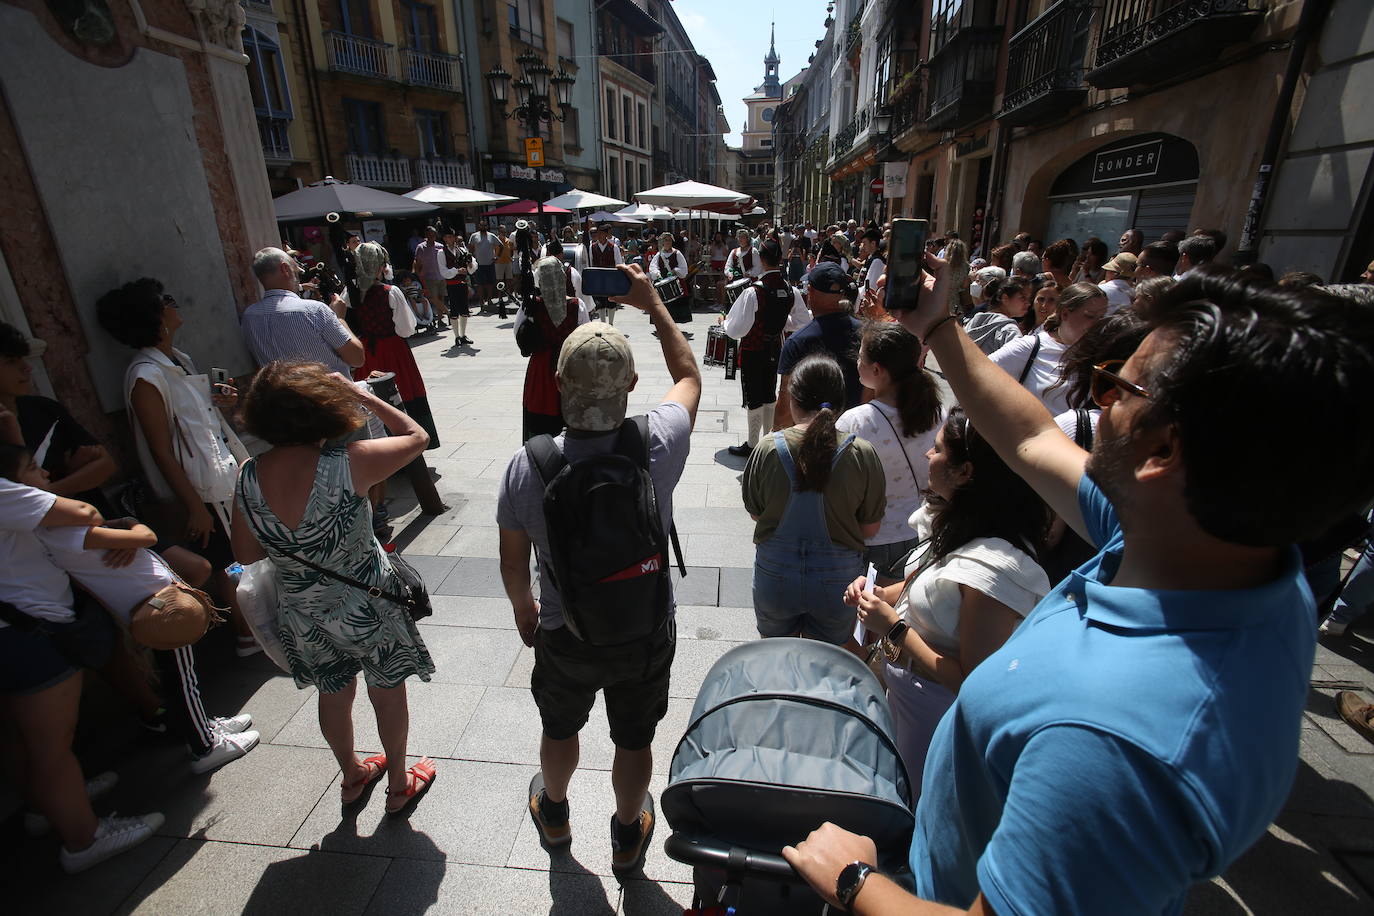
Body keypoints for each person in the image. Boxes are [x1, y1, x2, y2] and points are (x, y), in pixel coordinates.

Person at [783, 263, 1374, 916]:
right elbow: (1031, 436)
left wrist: (856, 882)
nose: (1091, 406)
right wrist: (939, 327)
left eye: (1112, 387)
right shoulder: (1218, 543)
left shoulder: (1114, 745)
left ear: (1163, 452)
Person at [497, 263, 700, 876]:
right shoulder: (658, 440)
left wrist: (525, 612)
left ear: (557, 383)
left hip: (565, 631)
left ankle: (554, 813)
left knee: (560, 727)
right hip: (644, 628)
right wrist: (655, 305)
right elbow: (689, 375)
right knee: (634, 738)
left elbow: (512, 563)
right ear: (632, 383)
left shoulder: (527, 465)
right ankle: (627, 830)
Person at [232, 361, 437, 814]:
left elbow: (246, 554)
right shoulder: (347, 464)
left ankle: (352, 775)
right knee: (387, 692)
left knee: (333, 693)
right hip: (370, 605)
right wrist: (361, 394)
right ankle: (399, 785)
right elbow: (417, 437)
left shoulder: (248, 476)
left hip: (304, 612)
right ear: (323, 410)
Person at [1, 440, 261, 774]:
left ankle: (204, 726)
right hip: (155, 606)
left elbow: (124, 534)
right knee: (182, 678)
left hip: (151, 600)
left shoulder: (55, 527)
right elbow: (145, 536)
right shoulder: (57, 528)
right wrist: (130, 529)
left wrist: (125, 530)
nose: (46, 473)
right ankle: (204, 745)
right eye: (34, 470)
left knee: (180, 675)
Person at [846, 407, 1051, 788]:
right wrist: (878, 593)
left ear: (965, 472)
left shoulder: (990, 570)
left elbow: (971, 681)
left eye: (938, 449)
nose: (928, 454)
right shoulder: (957, 522)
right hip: (908, 707)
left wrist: (892, 628)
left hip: (937, 721)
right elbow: (925, 587)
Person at [0, 474, 166, 873]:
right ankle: (83, 839)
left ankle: (45, 805)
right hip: (25, 632)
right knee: (52, 744)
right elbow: (84, 511)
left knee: (22, 735)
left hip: (15, 630)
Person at [97, 278, 258, 657]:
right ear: (154, 317)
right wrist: (192, 506)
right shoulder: (145, 376)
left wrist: (218, 402)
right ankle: (246, 634)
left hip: (220, 474)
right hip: (200, 489)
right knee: (226, 564)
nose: (175, 305)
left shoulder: (178, 360)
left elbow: (196, 420)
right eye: (166, 301)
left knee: (240, 557)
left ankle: (255, 626)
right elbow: (160, 450)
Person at [743, 353, 884, 648]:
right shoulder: (863, 452)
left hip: (776, 574)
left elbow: (757, 514)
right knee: (826, 665)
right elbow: (870, 529)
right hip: (838, 581)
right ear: (841, 401)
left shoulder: (768, 448)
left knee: (775, 658)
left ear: (793, 400)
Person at [837, 322, 943, 583]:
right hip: (923, 532)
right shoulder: (937, 413)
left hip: (873, 536)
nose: (857, 361)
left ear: (876, 369)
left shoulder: (855, 422)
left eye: (861, 357)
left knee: (864, 611)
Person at [0, 322, 116, 515]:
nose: (26, 368)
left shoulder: (44, 409)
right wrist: (73, 474)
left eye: (23, 358)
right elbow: (16, 504)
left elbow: (105, 464)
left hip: (101, 522)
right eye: (11, 361)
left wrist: (50, 491)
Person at [722, 240, 813, 457]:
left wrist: (724, 324)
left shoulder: (753, 292)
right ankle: (769, 439)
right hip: (776, 349)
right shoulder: (791, 290)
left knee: (754, 395)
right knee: (770, 392)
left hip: (753, 350)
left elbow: (736, 330)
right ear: (780, 259)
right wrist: (783, 322)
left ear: (761, 260)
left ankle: (754, 444)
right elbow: (802, 321)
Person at [349, 242, 441, 447]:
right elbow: (407, 329)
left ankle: (379, 443)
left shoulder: (349, 293)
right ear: (381, 266)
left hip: (365, 353)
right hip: (393, 351)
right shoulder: (390, 292)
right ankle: (408, 443)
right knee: (403, 393)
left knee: (371, 400)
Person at [244, 248, 366, 377]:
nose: (299, 275)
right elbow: (357, 359)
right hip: (329, 394)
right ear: (285, 269)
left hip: (280, 395)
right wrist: (339, 319)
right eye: (296, 269)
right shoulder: (314, 311)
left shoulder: (249, 317)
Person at [990, 282, 1108, 415]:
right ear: (1065, 314)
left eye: (1101, 317)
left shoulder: (1100, 357)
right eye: (1090, 316)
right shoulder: (1029, 347)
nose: (1097, 324)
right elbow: (980, 375)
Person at [776, 262, 864, 429]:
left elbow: (785, 404)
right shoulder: (865, 334)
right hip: (854, 437)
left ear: (810, 291)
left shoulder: (797, 342)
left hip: (809, 441)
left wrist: (777, 444)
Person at [516, 256, 592, 441]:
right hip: (570, 364)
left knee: (542, 404)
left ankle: (541, 449)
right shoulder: (576, 305)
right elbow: (586, 335)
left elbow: (518, 334)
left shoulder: (531, 305)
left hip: (541, 367)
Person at [963, 275, 1030, 355]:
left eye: (1029, 299)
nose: (1028, 303)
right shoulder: (1010, 332)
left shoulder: (975, 320)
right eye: (1023, 298)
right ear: (1005, 298)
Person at [647, 232, 692, 327]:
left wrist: (675, 271)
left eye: (669, 240)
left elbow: (684, 268)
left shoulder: (677, 253)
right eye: (666, 240)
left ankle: (673, 325)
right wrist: (657, 274)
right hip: (662, 281)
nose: (667, 242)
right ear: (662, 242)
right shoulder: (659, 254)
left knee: (675, 305)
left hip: (674, 281)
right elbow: (653, 267)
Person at [411, 227, 450, 331]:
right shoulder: (420, 247)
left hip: (441, 276)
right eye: (429, 235)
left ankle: (441, 320)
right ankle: (448, 312)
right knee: (433, 297)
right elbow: (417, 262)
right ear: (426, 235)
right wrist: (418, 274)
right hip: (428, 277)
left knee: (441, 298)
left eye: (433, 234)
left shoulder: (440, 246)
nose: (432, 236)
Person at [586, 224, 624, 325]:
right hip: (598, 278)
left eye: (600, 233)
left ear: (606, 235)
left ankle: (610, 324)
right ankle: (603, 323)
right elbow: (591, 263)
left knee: (611, 301)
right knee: (600, 302)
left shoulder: (614, 247)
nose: (597, 235)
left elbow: (618, 263)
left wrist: (617, 279)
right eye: (596, 233)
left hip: (610, 278)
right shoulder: (592, 247)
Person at [441, 230, 474, 345]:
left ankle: (463, 335)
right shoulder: (441, 252)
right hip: (451, 285)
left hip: (463, 284)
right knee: (454, 311)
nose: (450, 239)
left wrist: (470, 266)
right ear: (444, 238)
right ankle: (456, 337)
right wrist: (457, 271)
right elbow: (443, 271)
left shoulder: (462, 250)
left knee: (464, 310)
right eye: (447, 237)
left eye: (451, 237)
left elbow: (472, 265)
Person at [468, 220, 499, 314]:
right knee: (480, 284)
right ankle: (481, 302)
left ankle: (489, 300)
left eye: (485, 225)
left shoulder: (492, 236)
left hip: (490, 263)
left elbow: (500, 246)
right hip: (478, 264)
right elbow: (470, 248)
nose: (483, 227)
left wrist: (496, 256)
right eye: (481, 225)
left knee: (490, 283)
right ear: (479, 226)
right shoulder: (474, 236)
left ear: (487, 226)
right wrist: (472, 259)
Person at [493, 224, 517, 317]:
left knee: (509, 280)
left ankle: (509, 296)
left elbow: (511, 251)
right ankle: (500, 297)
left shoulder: (509, 241)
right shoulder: (496, 241)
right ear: (498, 232)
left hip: (508, 262)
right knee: (499, 281)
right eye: (502, 231)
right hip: (499, 263)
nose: (504, 233)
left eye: (505, 232)